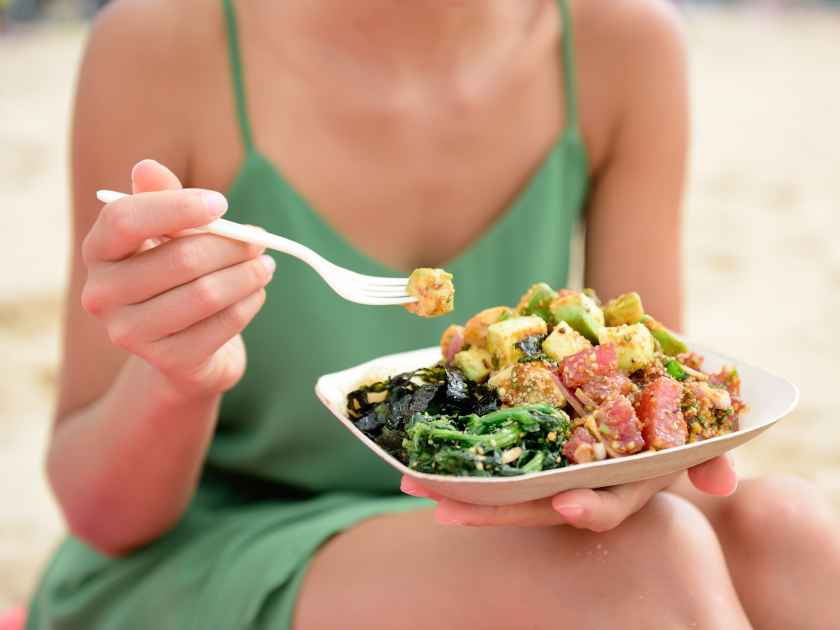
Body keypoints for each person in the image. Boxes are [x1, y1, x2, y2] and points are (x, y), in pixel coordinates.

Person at [26, 0, 839, 628]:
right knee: (651, 564)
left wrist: (633, 464)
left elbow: (642, 406)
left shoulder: (621, 41)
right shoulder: (164, 42)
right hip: (204, 552)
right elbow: (103, 515)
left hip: (503, 518)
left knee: (792, 531)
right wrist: (179, 377)